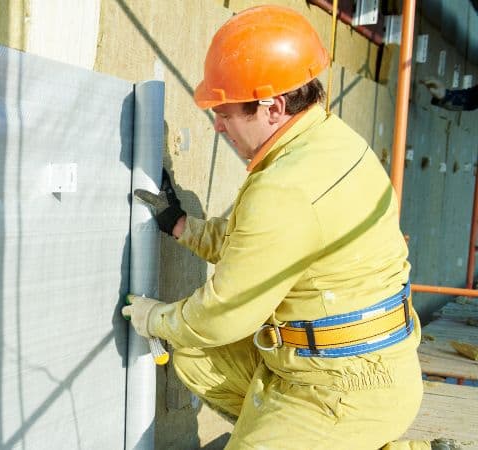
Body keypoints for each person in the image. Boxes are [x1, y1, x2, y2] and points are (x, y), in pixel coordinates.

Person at [122, 5, 449, 450]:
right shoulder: (332, 140)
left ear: (272, 107)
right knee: (193, 355)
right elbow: (262, 248)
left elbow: (221, 314)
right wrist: (181, 225)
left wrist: (154, 318)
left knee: (192, 332)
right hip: (355, 363)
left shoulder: (283, 189)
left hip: (343, 390)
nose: (217, 126)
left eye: (226, 111)